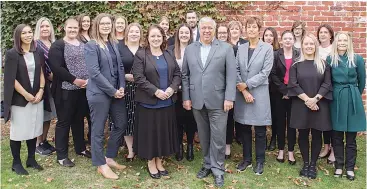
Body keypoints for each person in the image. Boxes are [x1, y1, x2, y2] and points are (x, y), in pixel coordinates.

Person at [182, 17, 236, 187]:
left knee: (218, 137)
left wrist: (229, 97)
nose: (206, 31)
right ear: (199, 29)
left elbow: (231, 75)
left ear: (214, 30)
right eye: (203, 28)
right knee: (204, 136)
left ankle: (218, 169)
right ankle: (207, 164)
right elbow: (185, 75)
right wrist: (186, 97)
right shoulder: (190, 49)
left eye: (209, 28)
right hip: (197, 100)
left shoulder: (226, 48)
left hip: (219, 101)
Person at [132, 24, 181, 179]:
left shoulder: (168, 53)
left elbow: (177, 74)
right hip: (149, 103)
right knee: (151, 134)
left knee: (162, 133)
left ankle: (159, 160)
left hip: (167, 102)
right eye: (153, 36)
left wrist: (172, 89)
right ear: (148, 38)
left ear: (163, 38)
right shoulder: (141, 55)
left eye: (158, 36)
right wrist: (156, 91)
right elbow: (138, 77)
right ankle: (151, 162)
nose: (156, 39)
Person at [84, 13, 128, 180]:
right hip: (99, 94)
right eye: (102, 23)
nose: (105, 26)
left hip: (117, 92)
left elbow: (121, 67)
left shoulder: (113, 43)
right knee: (98, 130)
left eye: (108, 23)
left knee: (121, 123)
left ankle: (109, 157)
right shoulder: (91, 45)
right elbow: (94, 73)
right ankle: (100, 164)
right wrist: (112, 90)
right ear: (97, 25)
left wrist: (122, 86)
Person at [4, 24, 48, 175]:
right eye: (24, 33)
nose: (28, 35)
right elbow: (11, 78)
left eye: (30, 32)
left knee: (33, 129)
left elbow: (42, 72)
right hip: (20, 100)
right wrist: (26, 94)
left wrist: (41, 90)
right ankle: (16, 163)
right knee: (18, 132)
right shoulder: (12, 54)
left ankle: (31, 159)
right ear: (18, 36)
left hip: (37, 97)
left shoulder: (37, 52)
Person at [288, 33, 332, 179]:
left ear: (315, 46)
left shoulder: (323, 64)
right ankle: (305, 163)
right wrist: (308, 100)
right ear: (302, 46)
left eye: (311, 44)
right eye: (306, 44)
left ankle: (313, 164)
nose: (308, 46)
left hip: (319, 104)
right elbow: (293, 84)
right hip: (301, 104)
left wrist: (316, 99)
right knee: (303, 134)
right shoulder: (296, 65)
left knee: (317, 134)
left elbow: (327, 83)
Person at [48, 17, 92, 167]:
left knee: (78, 119)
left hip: (83, 90)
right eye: (70, 28)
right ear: (64, 28)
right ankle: (61, 155)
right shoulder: (58, 45)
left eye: (75, 28)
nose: (73, 30)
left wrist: (86, 81)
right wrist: (75, 80)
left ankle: (80, 148)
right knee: (64, 121)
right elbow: (56, 68)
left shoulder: (83, 43)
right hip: (65, 90)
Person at [235, 17, 273, 175]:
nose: (251, 30)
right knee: (243, 128)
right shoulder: (241, 47)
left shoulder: (267, 48)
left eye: (254, 27)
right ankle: (246, 159)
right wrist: (243, 90)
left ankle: (259, 161)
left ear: (259, 29)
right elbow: (235, 69)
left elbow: (265, 72)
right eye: (248, 27)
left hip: (259, 93)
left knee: (259, 130)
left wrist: (248, 85)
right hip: (242, 94)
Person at [327, 31, 366, 180]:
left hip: (352, 97)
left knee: (351, 137)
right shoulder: (331, 59)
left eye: (345, 40)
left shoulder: (357, 59)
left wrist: (354, 94)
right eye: (339, 40)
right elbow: (328, 81)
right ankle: (339, 165)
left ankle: (350, 168)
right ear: (336, 42)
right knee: (337, 136)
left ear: (349, 42)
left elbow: (362, 81)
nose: (342, 43)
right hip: (337, 98)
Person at [168, 23, 197, 162]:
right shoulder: (170, 50)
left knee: (191, 120)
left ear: (190, 35)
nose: (184, 35)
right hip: (175, 92)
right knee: (178, 120)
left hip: (192, 91)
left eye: (187, 33)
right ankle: (179, 145)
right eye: (182, 33)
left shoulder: (196, 49)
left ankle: (190, 145)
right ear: (177, 35)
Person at [270, 30, 299, 165]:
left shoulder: (299, 54)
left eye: (290, 38)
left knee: (292, 124)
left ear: (294, 40)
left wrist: (291, 91)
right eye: (285, 38)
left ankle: (291, 151)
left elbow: (300, 74)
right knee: (280, 123)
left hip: (295, 94)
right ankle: (281, 150)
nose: (288, 41)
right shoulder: (276, 54)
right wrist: (284, 91)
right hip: (279, 94)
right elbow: (273, 74)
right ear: (281, 40)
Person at [117, 22, 143, 161]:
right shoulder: (120, 48)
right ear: (127, 33)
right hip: (125, 88)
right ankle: (131, 150)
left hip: (142, 89)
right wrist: (125, 76)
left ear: (140, 34)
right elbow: (114, 68)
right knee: (127, 118)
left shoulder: (145, 49)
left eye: (137, 31)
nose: (134, 34)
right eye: (131, 31)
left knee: (141, 118)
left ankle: (141, 147)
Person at [225, 20, 249, 159]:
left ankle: (239, 135)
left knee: (240, 112)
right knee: (229, 115)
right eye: (232, 29)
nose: (234, 31)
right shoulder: (225, 44)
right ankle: (228, 141)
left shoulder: (245, 44)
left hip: (241, 84)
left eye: (237, 29)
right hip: (229, 85)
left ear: (240, 31)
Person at [34, 17, 57, 156]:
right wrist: (48, 75)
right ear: (38, 28)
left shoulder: (53, 43)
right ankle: (37, 144)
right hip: (42, 83)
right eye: (42, 26)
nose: (45, 29)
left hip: (54, 84)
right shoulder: (35, 44)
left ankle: (44, 141)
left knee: (49, 114)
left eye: (47, 26)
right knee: (41, 114)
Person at [316, 24, 335, 163]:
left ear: (330, 35)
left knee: (333, 121)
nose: (323, 34)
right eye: (321, 32)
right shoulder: (316, 49)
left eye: (325, 32)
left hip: (332, 90)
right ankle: (326, 146)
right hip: (319, 90)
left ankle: (334, 150)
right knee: (323, 120)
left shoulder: (334, 49)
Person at [262, 27, 280, 151]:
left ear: (274, 38)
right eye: (266, 35)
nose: (268, 38)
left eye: (271, 35)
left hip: (274, 88)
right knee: (262, 114)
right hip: (262, 87)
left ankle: (274, 138)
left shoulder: (278, 52)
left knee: (275, 114)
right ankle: (262, 138)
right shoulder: (259, 50)